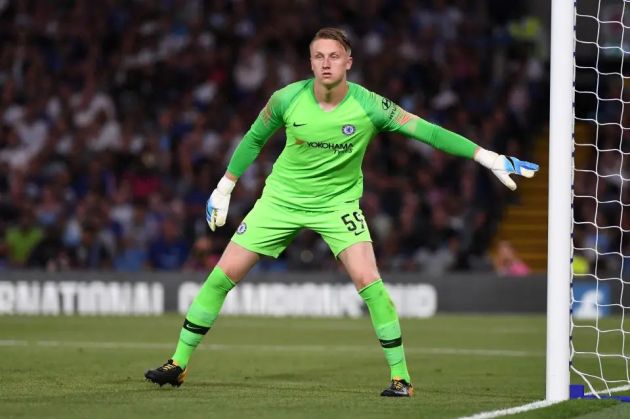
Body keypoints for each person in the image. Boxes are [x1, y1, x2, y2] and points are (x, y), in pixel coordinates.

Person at [145, 27, 539, 397]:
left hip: (337, 206)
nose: (326, 63)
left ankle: (400, 378)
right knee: (220, 277)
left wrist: (487, 156)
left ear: (349, 61)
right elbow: (254, 138)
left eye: (335, 56)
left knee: (370, 282)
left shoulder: (370, 106)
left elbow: (428, 132)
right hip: (280, 201)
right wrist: (225, 186)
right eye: (319, 56)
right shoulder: (286, 99)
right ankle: (178, 363)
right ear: (310, 62)